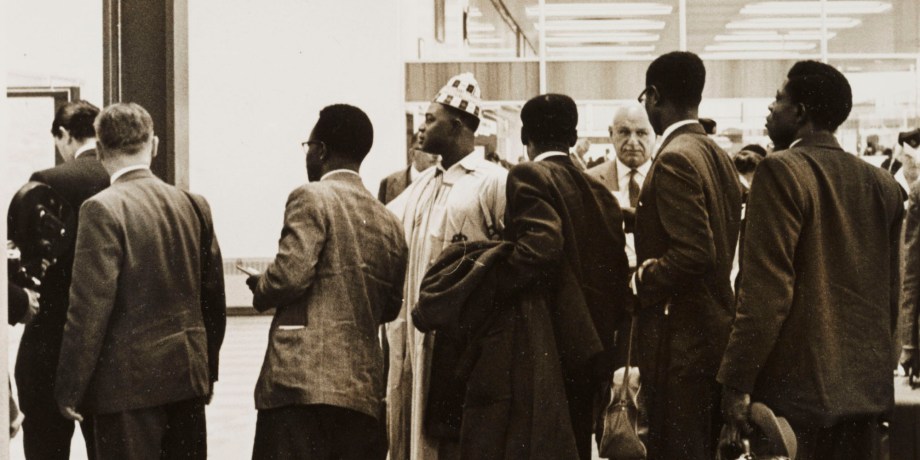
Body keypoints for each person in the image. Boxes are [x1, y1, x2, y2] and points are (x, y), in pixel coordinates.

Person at [719, 61, 904, 460]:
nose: (770, 109)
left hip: (797, 397)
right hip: (865, 394)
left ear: (800, 112)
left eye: (777, 99)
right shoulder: (883, 185)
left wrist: (736, 381)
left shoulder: (780, 171)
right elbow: (892, 294)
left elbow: (765, 295)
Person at [54, 102, 226, 459]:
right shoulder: (193, 205)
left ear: (100, 150)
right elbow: (214, 300)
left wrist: (70, 387)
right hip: (187, 379)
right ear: (155, 145)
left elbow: (88, 310)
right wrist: (207, 370)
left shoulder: (101, 208)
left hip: (126, 389)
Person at [246, 104, 407, 460]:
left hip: (300, 387)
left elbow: (290, 276)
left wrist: (262, 286)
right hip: (362, 391)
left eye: (309, 146)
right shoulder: (390, 221)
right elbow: (391, 306)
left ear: (320, 150)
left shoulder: (312, 196)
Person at [499, 93, 631, 459]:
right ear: (573, 138)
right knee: (576, 443)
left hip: (545, 341)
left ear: (526, 138)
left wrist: (496, 280)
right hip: (592, 344)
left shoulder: (529, 175)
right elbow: (617, 270)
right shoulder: (601, 192)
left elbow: (539, 248)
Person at [386, 72, 507, 460]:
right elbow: (382, 224)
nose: (422, 127)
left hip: (458, 344)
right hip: (411, 333)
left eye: (430, 119)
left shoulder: (493, 182)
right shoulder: (423, 184)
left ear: (456, 124)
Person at [634, 51, 743, 460]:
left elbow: (694, 252)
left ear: (655, 96)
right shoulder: (715, 154)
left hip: (681, 341)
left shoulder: (675, 156)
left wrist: (645, 275)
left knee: (677, 447)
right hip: (713, 332)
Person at [15, 100, 108, 460]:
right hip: (106, 349)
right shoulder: (120, 180)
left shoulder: (48, 181)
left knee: (46, 446)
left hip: (51, 341)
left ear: (64, 135)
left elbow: (26, 264)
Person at [378, 133, 439, 204]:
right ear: (412, 154)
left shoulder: (444, 183)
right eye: (428, 149)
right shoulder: (387, 183)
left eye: (437, 149)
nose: (435, 155)